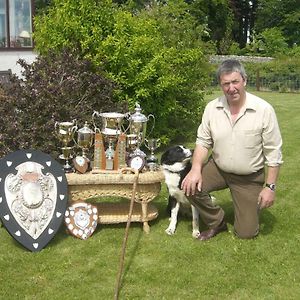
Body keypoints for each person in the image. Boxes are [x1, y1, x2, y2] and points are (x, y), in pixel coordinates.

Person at [181, 59, 283, 241]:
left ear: (244, 80)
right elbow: (203, 141)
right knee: (189, 186)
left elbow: (274, 154)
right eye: (225, 83)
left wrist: (270, 187)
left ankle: (249, 205)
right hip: (219, 168)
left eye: (235, 82)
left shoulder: (264, 110)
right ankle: (217, 222)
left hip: (249, 177)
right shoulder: (212, 108)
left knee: (246, 233)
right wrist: (195, 169)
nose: (231, 88)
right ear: (221, 85)